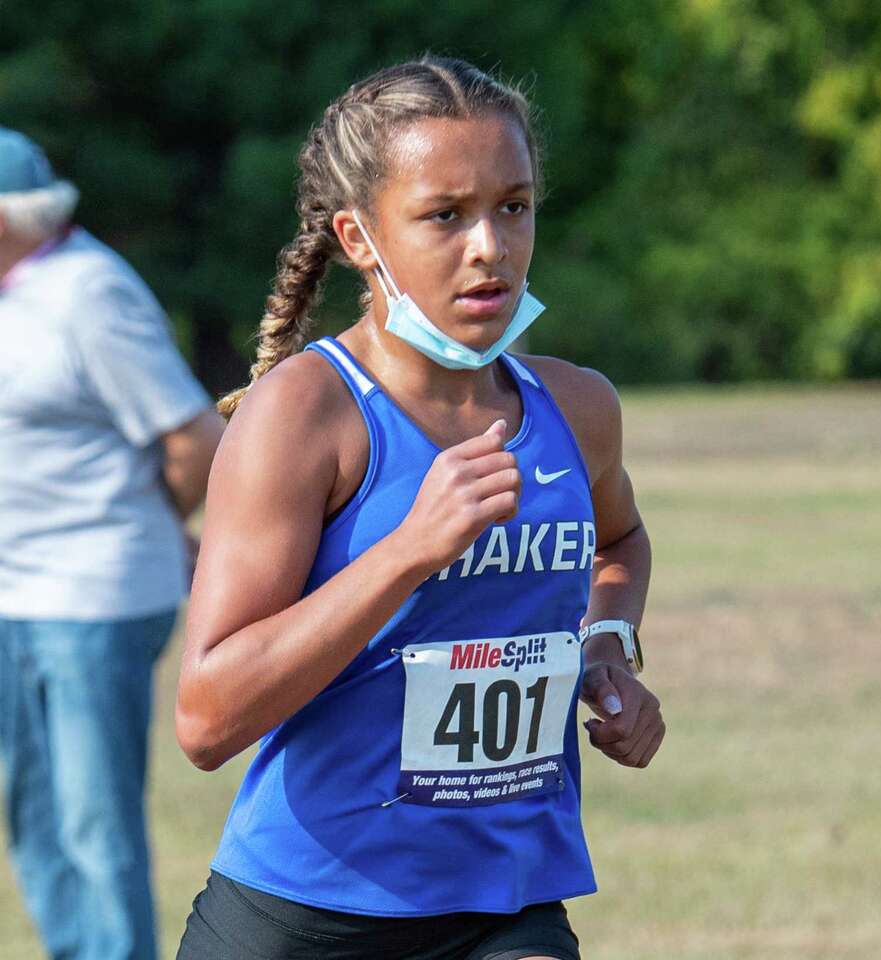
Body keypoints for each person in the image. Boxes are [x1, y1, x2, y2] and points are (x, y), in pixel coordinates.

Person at [174, 57, 665, 959]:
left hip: (508, 902)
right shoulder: (305, 413)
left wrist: (606, 647)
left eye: (512, 207)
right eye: (445, 215)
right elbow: (207, 719)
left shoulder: (578, 406)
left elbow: (621, 538)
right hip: (310, 914)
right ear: (360, 238)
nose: (490, 246)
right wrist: (406, 550)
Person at [0, 127, 224, 960]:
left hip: (93, 597)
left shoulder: (88, 293)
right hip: (14, 595)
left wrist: (165, 526)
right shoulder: (13, 289)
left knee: (94, 823)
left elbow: (195, 438)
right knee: (37, 820)